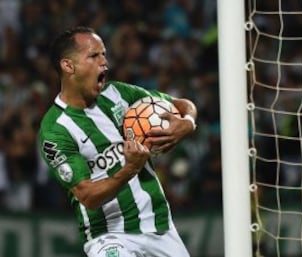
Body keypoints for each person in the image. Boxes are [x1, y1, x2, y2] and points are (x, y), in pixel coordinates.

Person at [38, 26, 197, 257]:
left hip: (160, 227)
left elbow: (182, 105)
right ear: (68, 66)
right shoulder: (55, 130)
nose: (104, 62)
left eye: (104, 54)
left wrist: (188, 123)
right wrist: (130, 168)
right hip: (109, 236)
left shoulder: (119, 94)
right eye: (94, 56)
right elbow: (88, 197)